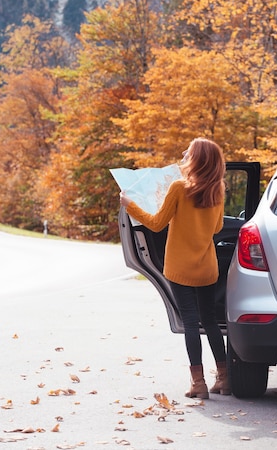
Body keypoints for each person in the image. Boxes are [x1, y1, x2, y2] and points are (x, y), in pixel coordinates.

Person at [119, 137, 230, 399]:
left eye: (188, 152)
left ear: (197, 159)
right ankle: (224, 378)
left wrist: (130, 205)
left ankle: (198, 383)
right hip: (207, 268)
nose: (184, 154)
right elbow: (217, 229)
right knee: (211, 323)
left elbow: (156, 224)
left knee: (190, 323)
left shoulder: (179, 188)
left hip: (180, 268)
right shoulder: (219, 189)